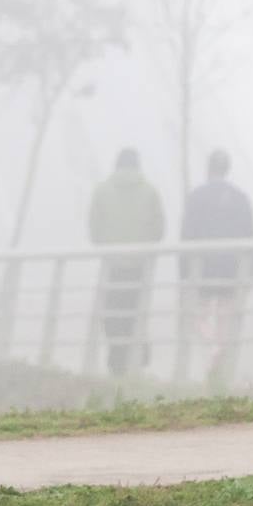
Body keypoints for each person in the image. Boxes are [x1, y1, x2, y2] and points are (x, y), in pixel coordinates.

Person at [179, 149, 253, 385]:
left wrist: (184, 272)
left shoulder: (196, 197)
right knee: (225, 317)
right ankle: (218, 356)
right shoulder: (241, 198)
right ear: (227, 168)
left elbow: (187, 235)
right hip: (232, 269)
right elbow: (250, 237)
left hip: (202, 269)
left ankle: (212, 349)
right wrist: (250, 272)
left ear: (209, 168)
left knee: (196, 316)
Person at [87, 148, 165, 377]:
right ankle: (137, 357)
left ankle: (117, 358)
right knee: (136, 311)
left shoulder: (101, 191)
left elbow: (94, 228)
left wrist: (106, 245)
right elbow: (159, 229)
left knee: (112, 313)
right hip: (140, 264)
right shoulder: (151, 192)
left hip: (111, 265)